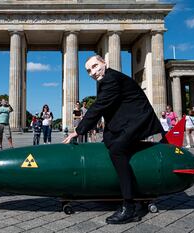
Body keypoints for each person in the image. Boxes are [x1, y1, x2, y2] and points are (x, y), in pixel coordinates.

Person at [63, 55, 163, 224]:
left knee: (117, 150)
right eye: (89, 70)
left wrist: (78, 131)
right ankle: (114, 191)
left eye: (95, 66)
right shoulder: (108, 79)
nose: (93, 72)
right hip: (125, 121)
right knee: (107, 143)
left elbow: (99, 106)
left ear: (104, 63)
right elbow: (107, 107)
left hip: (138, 120)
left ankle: (129, 207)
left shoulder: (111, 79)